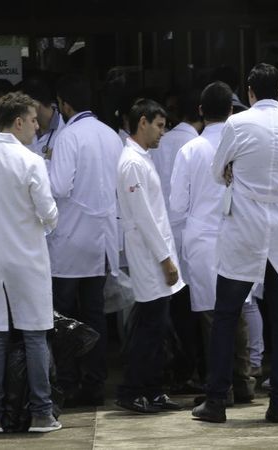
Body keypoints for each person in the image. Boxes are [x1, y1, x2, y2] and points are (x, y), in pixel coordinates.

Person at [193, 63, 278, 424]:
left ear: (250, 92)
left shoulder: (237, 124)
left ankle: (216, 400)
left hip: (244, 230)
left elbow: (215, 170)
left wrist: (232, 172)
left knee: (225, 315)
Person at [0, 92, 61, 434]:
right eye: (34, 120)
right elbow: (49, 213)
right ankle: (41, 413)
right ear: (18, 122)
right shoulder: (31, 160)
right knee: (34, 335)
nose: (37, 126)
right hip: (27, 257)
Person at [171, 81, 256, 405]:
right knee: (240, 309)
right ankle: (244, 381)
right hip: (239, 231)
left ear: (201, 111)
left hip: (203, 238)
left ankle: (219, 388)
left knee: (211, 317)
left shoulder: (190, 149)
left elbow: (178, 204)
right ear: (232, 109)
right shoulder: (243, 145)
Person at [48, 74, 123, 406]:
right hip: (101, 238)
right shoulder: (111, 135)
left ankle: (67, 381)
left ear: (65, 105)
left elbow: (59, 187)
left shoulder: (68, 137)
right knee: (94, 314)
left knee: (63, 315)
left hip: (70, 239)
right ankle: (95, 383)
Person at [114, 99, 185, 414]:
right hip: (150, 256)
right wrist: (164, 259)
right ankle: (133, 389)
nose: (162, 132)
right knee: (148, 329)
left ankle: (153, 390)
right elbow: (144, 218)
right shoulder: (132, 162)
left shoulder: (141, 159)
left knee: (155, 328)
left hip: (155, 253)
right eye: (158, 125)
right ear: (142, 122)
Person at [151, 88, 203, 392]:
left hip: (165, 234)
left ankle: (173, 369)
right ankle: (192, 369)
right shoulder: (199, 145)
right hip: (192, 234)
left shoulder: (160, 143)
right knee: (195, 309)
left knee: (171, 307)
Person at [18, 77, 65, 159]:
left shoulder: (65, 128)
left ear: (35, 105)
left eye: (22, 106)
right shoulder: (22, 126)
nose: (20, 111)